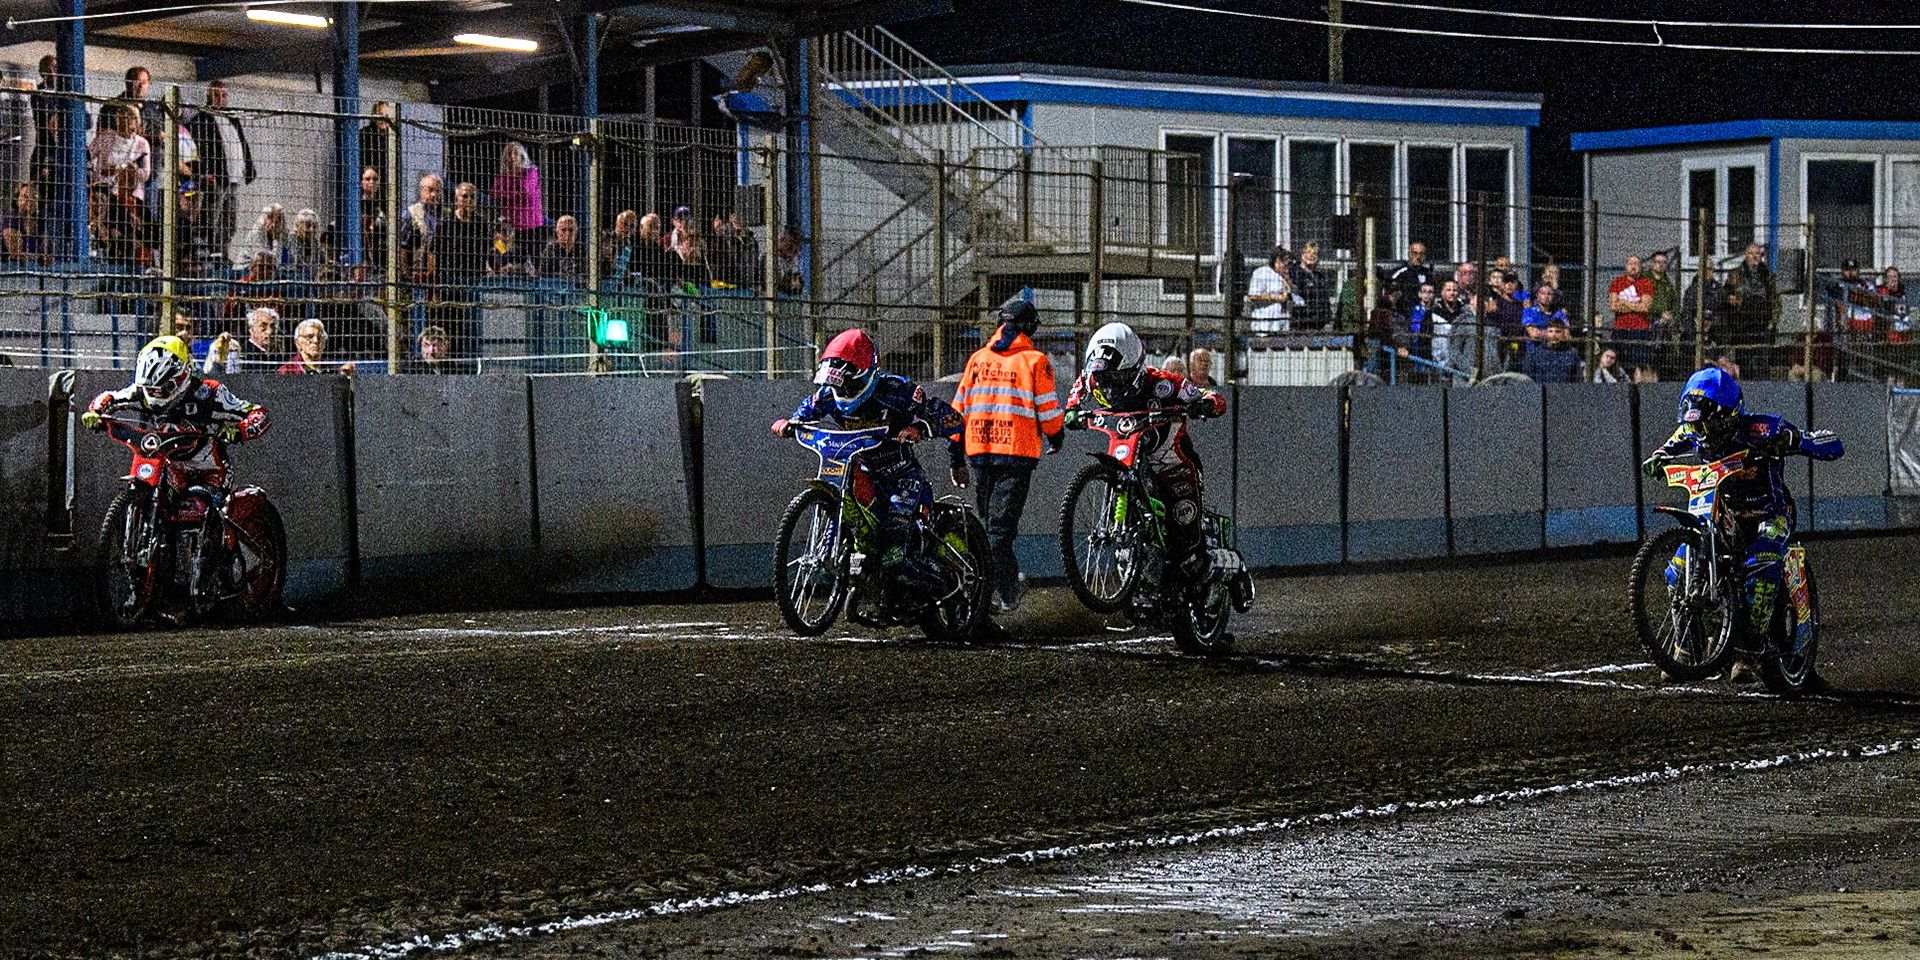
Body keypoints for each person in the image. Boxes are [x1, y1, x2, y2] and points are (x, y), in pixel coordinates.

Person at [1641, 367, 1844, 682]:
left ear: (1728, 415)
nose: (1701, 434)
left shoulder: (1763, 428)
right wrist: (1658, 457)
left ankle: (1748, 653)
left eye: (1708, 423)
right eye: (1695, 423)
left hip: (1771, 514)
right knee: (1677, 569)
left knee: (1761, 564)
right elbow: (1672, 444)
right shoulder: (1691, 431)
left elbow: (1832, 444)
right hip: (1724, 517)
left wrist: (1790, 439)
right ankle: (1688, 649)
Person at [771, 328, 966, 596]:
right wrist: (790, 423)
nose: (839, 388)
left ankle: (946, 584)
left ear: (867, 375)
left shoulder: (897, 390)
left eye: (846, 383)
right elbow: (806, 410)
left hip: (901, 477)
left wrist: (919, 428)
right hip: (860, 470)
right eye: (835, 382)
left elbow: (953, 419)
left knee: (894, 556)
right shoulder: (829, 394)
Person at [1063, 321, 1226, 588]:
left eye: (1117, 377)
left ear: (1134, 368)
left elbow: (1209, 396)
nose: (1108, 385)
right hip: (1128, 456)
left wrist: (1206, 404)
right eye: (1104, 378)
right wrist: (1072, 412)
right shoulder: (1092, 377)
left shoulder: (1162, 383)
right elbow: (1074, 399)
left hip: (1171, 461)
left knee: (1190, 549)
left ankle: (1223, 567)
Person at [953, 297, 1066, 613]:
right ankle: (1003, 593)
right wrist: (1056, 437)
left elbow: (957, 412)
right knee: (998, 534)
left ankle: (999, 593)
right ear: (1029, 327)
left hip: (980, 455)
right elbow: (1048, 412)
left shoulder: (977, 359)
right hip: (1016, 456)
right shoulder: (1034, 360)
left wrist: (955, 458)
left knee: (991, 529)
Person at [80, 335, 271, 479]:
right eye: (150, 389)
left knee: (203, 508)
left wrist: (239, 430)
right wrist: (95, 412)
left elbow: (258, 413)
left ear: (182, 377)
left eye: (163, 388)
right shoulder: (141, 391)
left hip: (207, 471)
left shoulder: (209, 393)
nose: (155, 394)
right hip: (165, 466)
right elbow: (109, 397)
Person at [184, 79, 255, 256]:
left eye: (223, 95)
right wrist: (207, 173)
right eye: (216, 94)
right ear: (209, 96)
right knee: (212, 219)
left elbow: (242, 143)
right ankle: (211, 254)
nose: (220, 98)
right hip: (216, 177)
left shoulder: (232, 119)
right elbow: (200, 148)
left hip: (234, 177)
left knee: (230, 222)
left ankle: (222, 253)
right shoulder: (203, 119)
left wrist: (249, 167)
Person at [1725, 242, 1777, 379]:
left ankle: (1762, 396)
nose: (1755, 257)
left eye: (1758, 254)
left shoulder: (1769, 276)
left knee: (1762, 364)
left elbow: (1776, 301)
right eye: (1752, 254)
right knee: (1744, 363)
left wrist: (1773, 321)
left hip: (1762, 325)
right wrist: (1730, 299)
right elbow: (1725, 297)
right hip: (1742, 326)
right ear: (1745, 255)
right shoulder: (1735, 275)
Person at [1609, 254, 1656, 371]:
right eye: (1630, 264)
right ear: (1626, 266)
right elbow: (1613, 305)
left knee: (1640, 364)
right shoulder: (1617, 282)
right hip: (1620, 328)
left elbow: (1645, 307)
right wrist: (1636, 304)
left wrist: (1624, 302)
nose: (1633, 267)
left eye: (1636, 264)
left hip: (1640, 329)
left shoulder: (1646, 283)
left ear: (1640, 267)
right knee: (1618, 362)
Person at [492, 141, 544, 240]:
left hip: (531, 223)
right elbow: (494, 192)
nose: (511, 156)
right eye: (508, 154)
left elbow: (525, 191)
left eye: (515, 153)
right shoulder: (502, 176)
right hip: (510, 225)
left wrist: (505, 192)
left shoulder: (531, 172)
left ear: (522, 157)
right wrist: (513, 192)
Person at [1246, 245, 1297, 334]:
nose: (1287, 269)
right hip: (1265, 325)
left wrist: (1288, 283)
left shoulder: (1284, 277)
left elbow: (1293, 294)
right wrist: (1274, 298)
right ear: (1277, 262)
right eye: (1285, 265)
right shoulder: (1262, 272)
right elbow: (1253, 296)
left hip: (1282, 326)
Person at [277, 318, 354, 376]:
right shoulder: (287, 371)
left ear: (324, 343)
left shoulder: (331, 370)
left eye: (320, 337)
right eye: (309, 337)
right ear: (298, 343)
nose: (316, 341)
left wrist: (342, 377)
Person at [1520, 318, 1583, 383]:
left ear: (1563, 334)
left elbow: (1578, 380)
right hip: (1541, 391)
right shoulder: (1534, 353)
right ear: (1546, 333)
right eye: (1550, 331)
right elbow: (1528, 380)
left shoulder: (1571, 354)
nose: (1554, 335)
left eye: (1558, 332)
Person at [2, 181, 47, 264]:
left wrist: (43, 257)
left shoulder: (39, 221)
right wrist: (39, 257)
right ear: (17, 199)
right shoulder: (11, 217)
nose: (30, 200)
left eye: (34, 197)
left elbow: (46, 253)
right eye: (25, 196)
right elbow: (16, 254)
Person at [1290, 242, 1333, 329]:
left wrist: (1327, 316)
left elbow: (1324, 299)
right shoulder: (1294, 273)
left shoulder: (1320, 277)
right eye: (1308, 252)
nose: (1311, 255)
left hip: (1319, 324)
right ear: (1302, 255)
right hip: (1300, 324)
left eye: (1314, 253)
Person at [535, 214, 586, 282]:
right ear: (557, 232)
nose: (567, 234)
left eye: (571, 230)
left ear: (575, 233)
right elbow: (542, 275)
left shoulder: (580, 249)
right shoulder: (551, 249)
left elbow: (585, 273)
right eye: (563, 230)